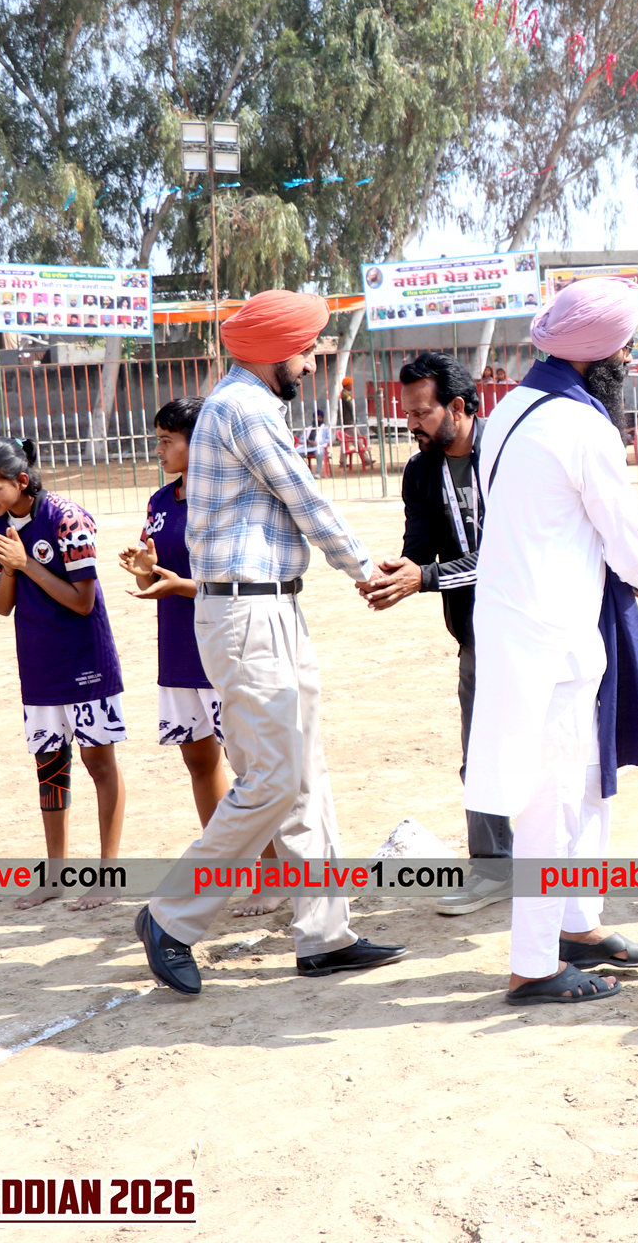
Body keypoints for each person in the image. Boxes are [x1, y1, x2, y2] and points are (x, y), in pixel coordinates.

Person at [136, 289, 404, 996]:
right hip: (246, 614)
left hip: (270, 607)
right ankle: (170, 915)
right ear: (274, 350)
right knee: (273, 779)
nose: (312, 364)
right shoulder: (244, 408)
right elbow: (303, 495)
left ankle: (325, 936)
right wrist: (364, 569)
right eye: (307, 350)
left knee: (304, 774)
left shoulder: (246, 404)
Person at [468, 276, 638, 1003]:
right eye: (624, 350)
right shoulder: (584, 427)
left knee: (588, 785)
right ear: (600, 355)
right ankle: (532, 965)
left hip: (535, 628)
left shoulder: (510, 407)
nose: (628, 360)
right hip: (550, 639)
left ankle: (578, 925)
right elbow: (625, 536)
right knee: (552, 801)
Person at [116, 398, 284, 919]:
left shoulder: (228, 498)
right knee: (198, 760)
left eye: (168, 440)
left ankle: (275, 875)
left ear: (201, 443)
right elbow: (155, 575)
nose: (159, 449)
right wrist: (145, 568)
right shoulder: (160, 500)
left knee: (247, 765)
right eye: (158, 439)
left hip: (223, 645)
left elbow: (242, 580)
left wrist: (182, 585)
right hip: (176, 648)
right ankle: (223, 870)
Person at [356, 350, 506, 915]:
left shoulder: (509, 456)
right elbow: (420, 549)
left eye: (421, 413)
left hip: (535, 628)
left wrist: (424, 578)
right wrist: (398, 573)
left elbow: (509, 558)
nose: (411, 424)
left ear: (459, 407)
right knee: (481, 754)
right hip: (476, 635)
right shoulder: (420, 471)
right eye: (408, 413)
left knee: (554, 752)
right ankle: (495, 871)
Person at [0, 437, 127, 913]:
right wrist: (10, 570)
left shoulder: (66, 518)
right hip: (38, 661)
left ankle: (108, 874)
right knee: (50, 766)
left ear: (21, 480)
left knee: (100, 764)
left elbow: (82, 601)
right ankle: (56, 874)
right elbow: (1, 606)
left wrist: (26, 564)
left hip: (85, 660)